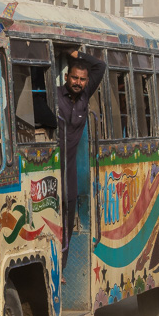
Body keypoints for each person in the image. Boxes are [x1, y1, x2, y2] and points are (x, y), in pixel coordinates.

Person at [55, 48, 105, 265]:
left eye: (82, 79)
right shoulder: (54, 95)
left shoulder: (85, 95)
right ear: (66, 77)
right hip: (50, 168)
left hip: (70, 170)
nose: (78, 82)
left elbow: (101, 67)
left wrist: (77, 54)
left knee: (67, 221)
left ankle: (62, 267)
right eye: (74, 77)